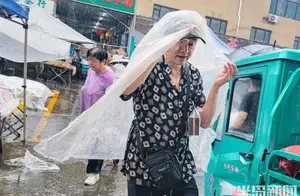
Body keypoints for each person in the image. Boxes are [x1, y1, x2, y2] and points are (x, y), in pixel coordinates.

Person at [120, 31, 237, 195]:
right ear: (167, 42)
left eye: (190, 44)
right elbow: (125, 91)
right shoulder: (149, 66)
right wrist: (152, 56)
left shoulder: (193, 74)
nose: (185, 49)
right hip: (145, 162)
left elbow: (202, 123)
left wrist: (216, 87)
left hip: (179, 161)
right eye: (180, 42)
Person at [80, 47, 115, 186]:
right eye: (89, 60)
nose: (90, 63)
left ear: (104, 61)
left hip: (102, 117)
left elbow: (114, 100)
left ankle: (93, 173)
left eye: (93, 61)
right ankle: (108, 157)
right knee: (90, 142)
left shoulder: (110, 77)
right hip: (88, 113)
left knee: (96, 144)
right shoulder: (91, 71)